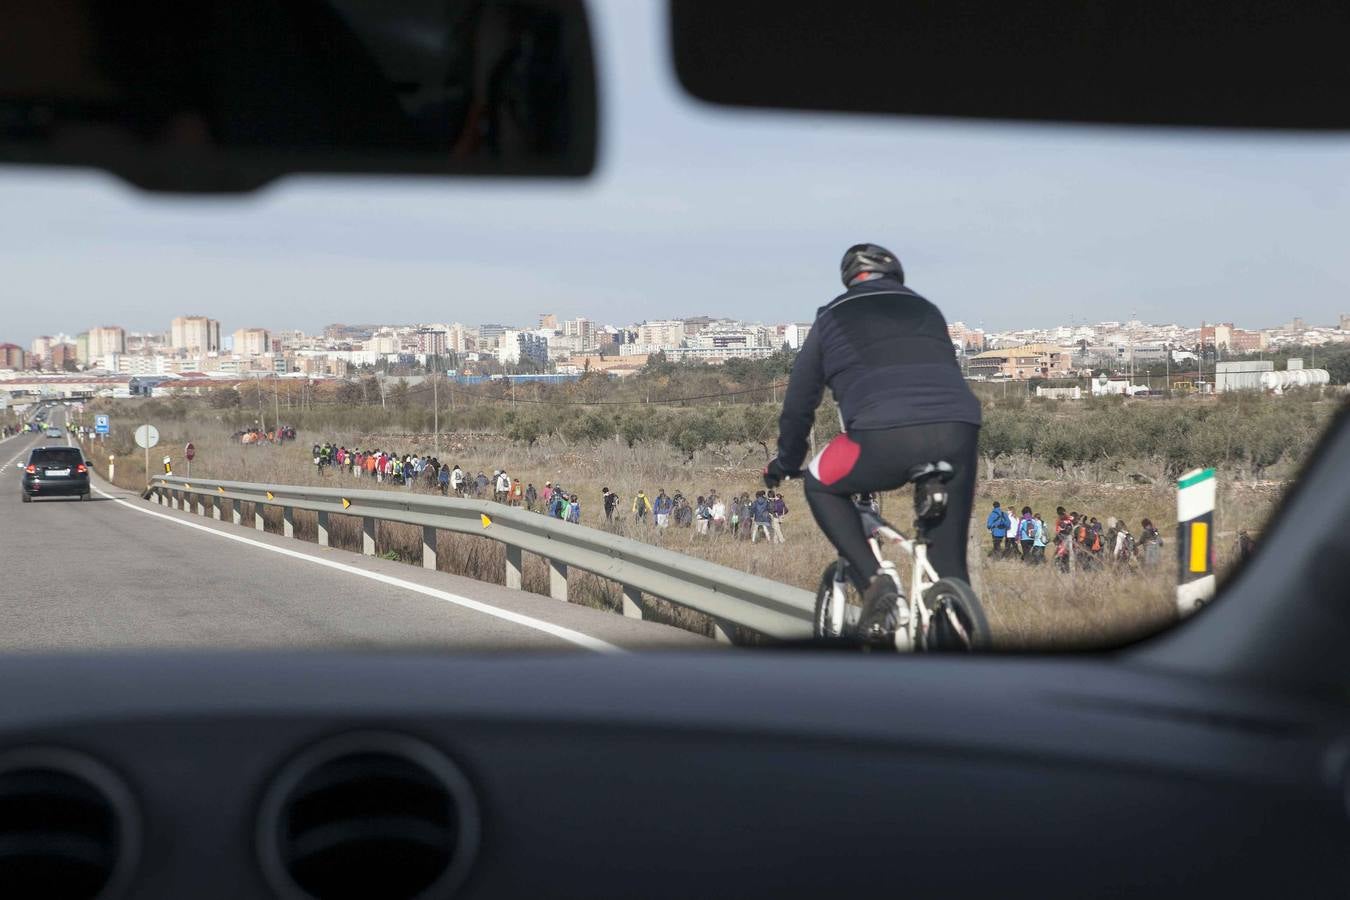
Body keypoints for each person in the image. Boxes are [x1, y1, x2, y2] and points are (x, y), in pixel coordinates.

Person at [764, 243, 982, 643]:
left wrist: (785, 462)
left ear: (850, 280)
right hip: (958, 431)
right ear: (897, 276)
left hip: (883, 434)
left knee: (819, 482)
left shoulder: (831, 316)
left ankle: (874, 583)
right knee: (949, 569)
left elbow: (799, 403)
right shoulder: (927, 309)